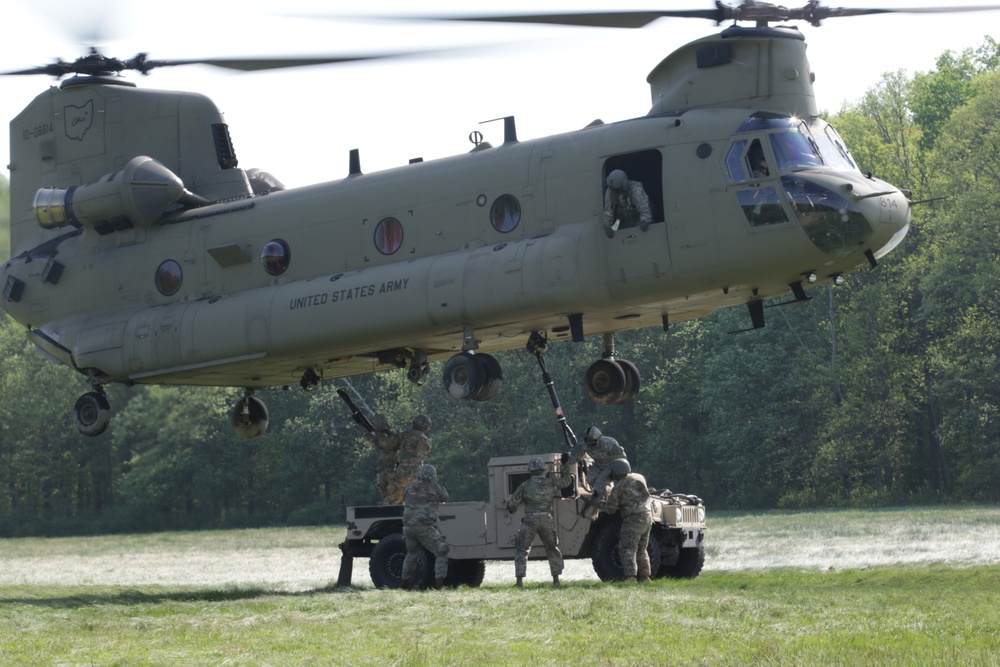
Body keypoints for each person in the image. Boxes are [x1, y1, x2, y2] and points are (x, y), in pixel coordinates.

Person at [506, 457, 574, 588]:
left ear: (530, 470)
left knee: (522, 550)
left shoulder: (524, 485)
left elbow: (512, 505)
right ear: (544, 469)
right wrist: (565, 466)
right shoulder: (551, 483)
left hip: (530, 520)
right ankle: (556, 581)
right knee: (552, 548)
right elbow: (566, 481)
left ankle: (519, 582)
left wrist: (511, 509)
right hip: (546, 519)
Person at [599, 458, 653, 583]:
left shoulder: (619, 486)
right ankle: (645, 577)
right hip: (647, 516)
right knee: (642, 548)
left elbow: (610, 509)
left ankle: (630, 577)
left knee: (627, 548)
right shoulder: (638, 477)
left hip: (634, 519)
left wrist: (598, 503)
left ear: (616, 472)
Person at [401, 463, 450, 589]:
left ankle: (404, 584)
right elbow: (445, 497)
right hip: (424, 527)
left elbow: (405, 498)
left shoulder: (409, 487)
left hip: (408, 527)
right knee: (441, 549)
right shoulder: (435, 489)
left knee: (412, 553)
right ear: (433, 475)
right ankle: (439, 585)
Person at [568, 426, 627, 505]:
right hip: (598, 465)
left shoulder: (609, 443)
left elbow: (622, 457)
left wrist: (617, 472)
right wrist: (566, 459)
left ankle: (600, 501)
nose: (591, 445)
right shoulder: (584, 445)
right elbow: (574, 457)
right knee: (590, 478)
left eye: (593, 442)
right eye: (588, 442)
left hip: (611, 465)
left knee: (600, 481)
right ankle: (604, 492)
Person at [387, 414, 432, 504]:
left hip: (401, 470)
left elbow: (390, 444)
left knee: (394, 499)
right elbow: (420, 456)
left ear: (414, 423)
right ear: (426, 427)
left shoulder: (403, 435)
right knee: (417, 499)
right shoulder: (425, 441)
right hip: (415, 471)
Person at [603, 169, 653, 238]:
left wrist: (645, 220)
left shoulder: (636, 189)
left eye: (617, 189)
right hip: (623, 221)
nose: (616, 191)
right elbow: (609, 209)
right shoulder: (611, 191)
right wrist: (608, 226)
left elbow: (643, 205)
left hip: (638, 219)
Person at [365, 414, 399, 505]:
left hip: (381, 471)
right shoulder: (394, 437)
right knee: (394, 497)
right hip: (392, 470)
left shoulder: (376, 438)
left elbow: (366, 435)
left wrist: (361, 424)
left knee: (385, 497)